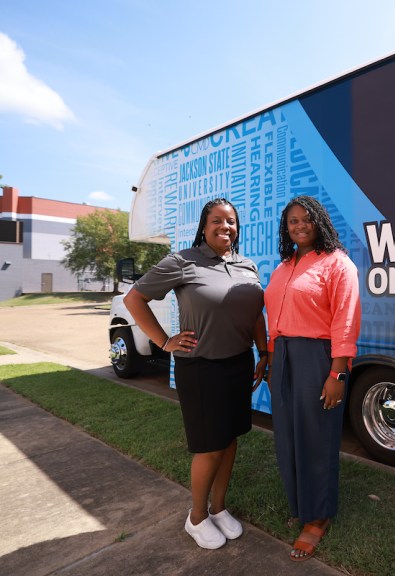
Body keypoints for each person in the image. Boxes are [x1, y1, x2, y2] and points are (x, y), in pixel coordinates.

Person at [124, 198, 268, 550]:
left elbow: (255, 315)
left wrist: (263, 352)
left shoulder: (246, 265)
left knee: (231, 439)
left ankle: (218, 509)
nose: (225, 227)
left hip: (239, 364)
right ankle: (197, 517)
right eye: (217, 221)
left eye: (231, 221)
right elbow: (134, 299)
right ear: (204, 226)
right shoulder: (183, 261)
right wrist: (163, 341)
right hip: (201, 368)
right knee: (210, 447)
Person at [264, 195, 361, 562]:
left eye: (306, 219)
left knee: (316, 437)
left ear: (319, 221)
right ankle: (301, 504)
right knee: (288, 435)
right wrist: (272, 361)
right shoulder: (284, 266)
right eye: (292, 221)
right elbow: (274, 318)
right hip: (283, 356)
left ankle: (318, 517)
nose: (299, 225)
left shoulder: (338, 264)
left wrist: (338, 371)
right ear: (285, 228)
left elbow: (345, 320)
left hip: (318, 358)